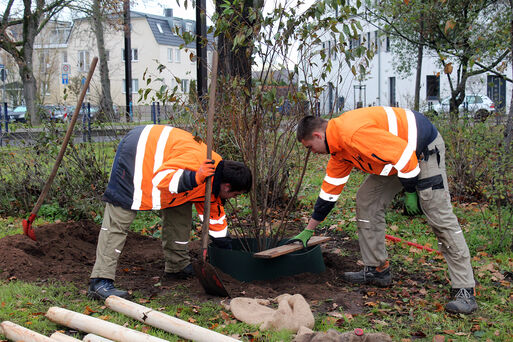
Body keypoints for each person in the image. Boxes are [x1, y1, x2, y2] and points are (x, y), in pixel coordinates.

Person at [291, 106, 477, 314]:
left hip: (422, 150)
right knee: (367, 200)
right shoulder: (339, 149)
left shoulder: (353, 134)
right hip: (397, 157)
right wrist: (309, 229)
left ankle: (465, 289)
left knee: (439, 215)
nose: (312, 153)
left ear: (317, 135)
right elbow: (329, 194)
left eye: (309, 147)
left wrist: (411, 192)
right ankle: (377, 270)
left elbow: (406, 156)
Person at [88, 125, 252, 300]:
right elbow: (161, 178)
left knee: (181, 206)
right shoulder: (200, 164)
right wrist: (195, 177)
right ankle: (100, 282)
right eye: (235, 194)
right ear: (227, 186)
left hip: (164, 162)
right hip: (138, 150)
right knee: (120, 215)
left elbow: (215, 220)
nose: (234, 198)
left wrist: (227, 254)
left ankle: (177, 265)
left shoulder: (214, 180)